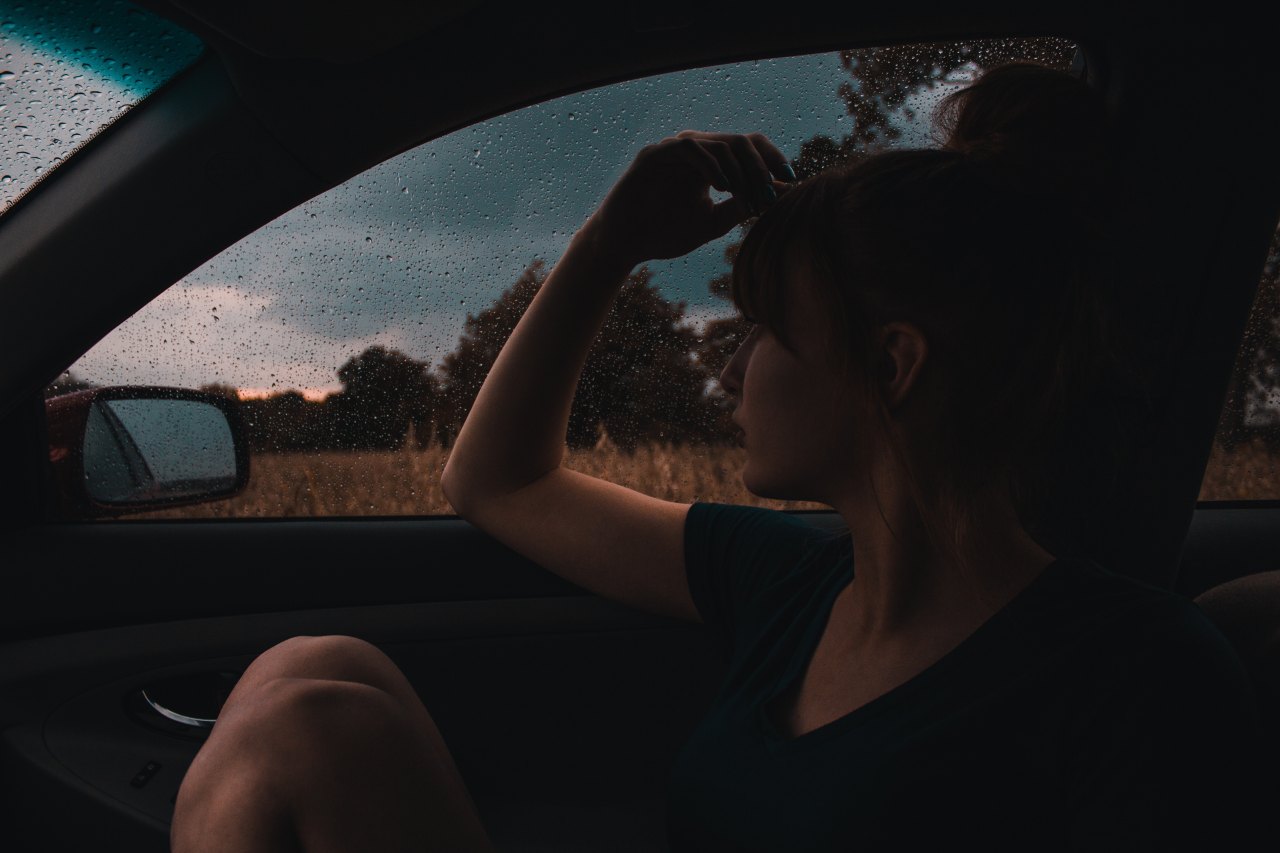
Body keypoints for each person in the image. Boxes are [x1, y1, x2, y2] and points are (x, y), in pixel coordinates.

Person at [170, 61, 1267, 852]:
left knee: (308, 724)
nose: (731, 370)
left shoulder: (1134, 679)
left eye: (762, 329)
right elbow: (495, 479)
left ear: (890, 365)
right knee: (315, 675)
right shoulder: (794, 584)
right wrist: (607, 242)